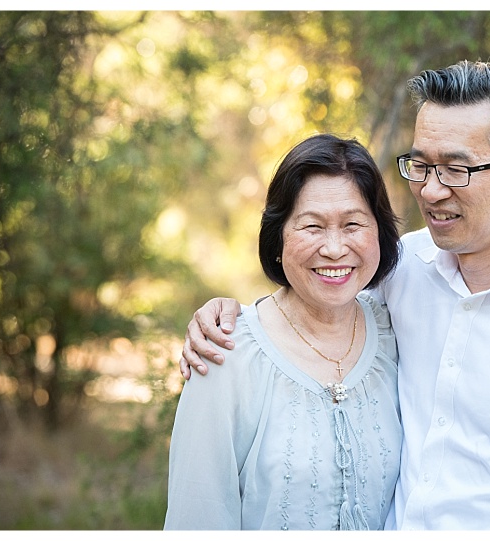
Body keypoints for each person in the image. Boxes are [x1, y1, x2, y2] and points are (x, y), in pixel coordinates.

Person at [180, 61, 490, 530]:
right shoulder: (401, 270)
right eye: (421, 165)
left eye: (456, 169)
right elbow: (315, 298)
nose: (430, 191)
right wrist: (227, 316)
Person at [164, 134, 403, 530]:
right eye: (312, 226)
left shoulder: (396, 330)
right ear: (278, 237)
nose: (334, 248)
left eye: (353, 224)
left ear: (379, 233)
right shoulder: (225, 353)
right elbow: (197, 516)